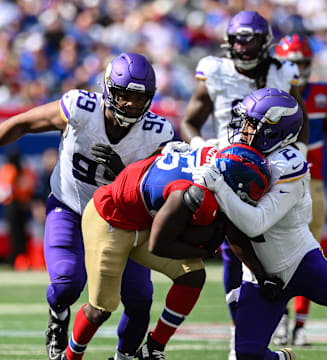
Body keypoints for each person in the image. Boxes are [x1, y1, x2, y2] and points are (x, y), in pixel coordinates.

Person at [0, 52, 175, 360]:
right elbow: (21, 123)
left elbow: (155, 190)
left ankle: (125, 355)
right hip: (70, 206)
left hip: (121, 218)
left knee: (139, 298)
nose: (132, 104)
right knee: (68, 283)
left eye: (140, 98)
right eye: (125, 95)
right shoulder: (81, 108)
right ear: (109, 89)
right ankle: (58, 317)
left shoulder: (158, 132)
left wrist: (123, 171)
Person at [64, 142, 286, 360]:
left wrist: (262, 275)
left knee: (192, 275)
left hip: (145, 220)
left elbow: (231, 229)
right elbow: (158, 245)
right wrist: (206, 251)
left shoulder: (216, 165)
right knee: (100, 309)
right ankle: (71, 357)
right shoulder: (190, 193)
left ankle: (153, 349)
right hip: (111, 219)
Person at [193, 87, 327, 360]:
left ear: (275, 132)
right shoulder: (235, 151)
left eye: (251, 124)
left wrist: (220, 186)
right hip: (259, 274)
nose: (243, 129)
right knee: (247, 355)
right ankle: (283, 358)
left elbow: (256, 223)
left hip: (301, 262)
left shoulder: (289, 163)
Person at [179, 10, 309, 359]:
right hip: (228, 168)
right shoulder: (215, 71)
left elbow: (302, 125)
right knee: (231, 247)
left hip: (271, 170)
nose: (242, 45)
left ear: (265, 40)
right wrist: (200, 147)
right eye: (237, 38)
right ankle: (241, 330)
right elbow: (190, 121)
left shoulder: (284, 71)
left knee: (277, 247)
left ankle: (270, 324)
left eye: (249, 38)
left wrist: (294, 164)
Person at [273, 33, 327, 346]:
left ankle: (300, 326)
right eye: (290, 62)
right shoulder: (271, 94)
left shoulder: (325, 93)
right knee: (275, 255)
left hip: (314, 183)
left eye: (301, 62)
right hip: (277, 185)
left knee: (310, 253)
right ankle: (281, 321)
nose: (296, 68)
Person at [0, 148, 37, 268]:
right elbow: (5, 191)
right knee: (14, 233)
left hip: (20, 204)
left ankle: (22, 259)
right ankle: (15, 259)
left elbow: (29, 186)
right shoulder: (9, 170)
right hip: (14, 204)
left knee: (21, 233)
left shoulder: (16, 170)